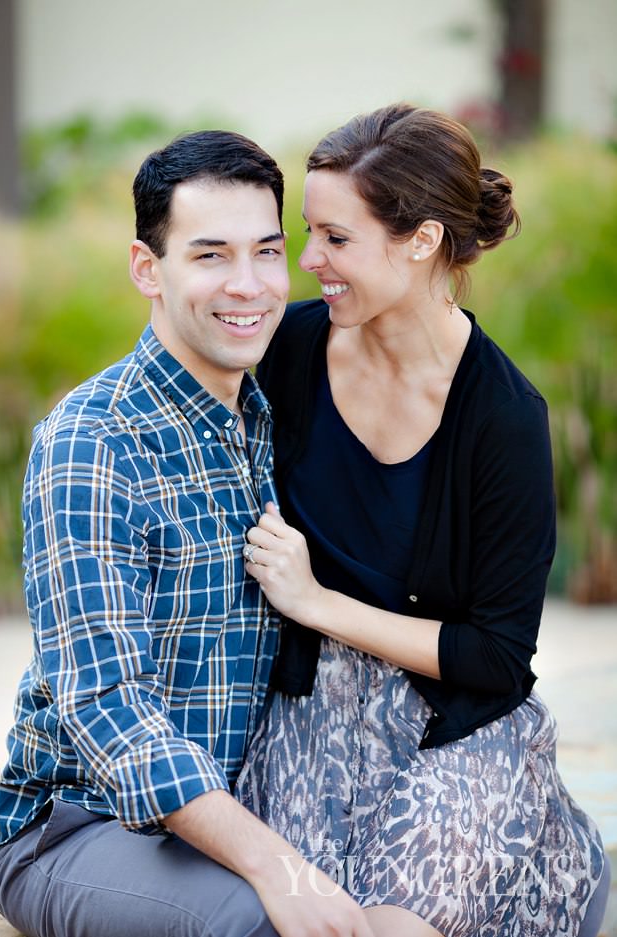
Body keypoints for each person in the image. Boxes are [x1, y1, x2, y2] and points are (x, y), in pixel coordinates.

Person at [235, 103, 609, 937]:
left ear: (422, 239)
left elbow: (497, 653)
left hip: (455, 723)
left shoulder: (505, 417)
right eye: (308, 232)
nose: (307, 260)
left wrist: (316, 602)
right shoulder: (288, 351)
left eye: (336, 238)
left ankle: (549, 852)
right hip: (311, 716)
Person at [0, 131, 375, 937]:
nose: (249, 285)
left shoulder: (274, 417)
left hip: (245, 802)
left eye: (268, 252)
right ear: (147, 269)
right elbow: (108, 706)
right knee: (261, 923)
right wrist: (277, 863)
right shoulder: (93, 442)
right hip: (78, 825)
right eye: (210, 256)